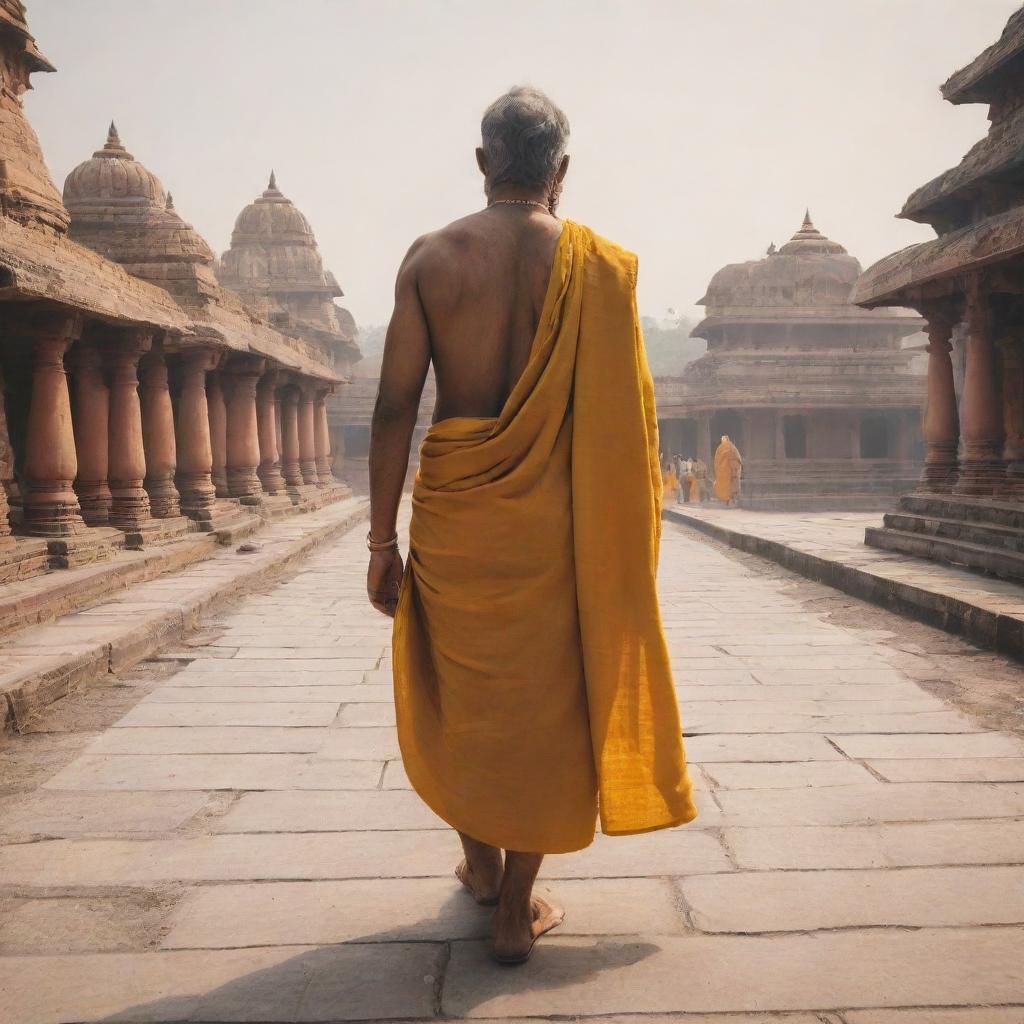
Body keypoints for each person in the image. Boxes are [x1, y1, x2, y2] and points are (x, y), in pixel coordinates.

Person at [366, 86, 696, 965]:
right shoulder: (599, 268)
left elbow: (396, 404)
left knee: (461, 689)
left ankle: (478, 860)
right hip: (555, 523)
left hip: (458, 515)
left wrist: (378, 542)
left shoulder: (431, 258)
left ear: (482, 163)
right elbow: (624, 423)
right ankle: (513, 901)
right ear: (561, 170)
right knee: (548, 704)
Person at [713, 434, 743, 506]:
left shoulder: (725, 448)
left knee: (731, 485)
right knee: (730, 485)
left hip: (730, 471)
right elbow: (718, 460)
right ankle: (730, 499)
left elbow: (717, 461)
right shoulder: (730, 448)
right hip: (728, 471)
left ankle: (731, 499)